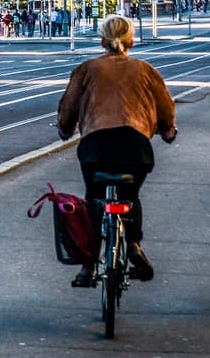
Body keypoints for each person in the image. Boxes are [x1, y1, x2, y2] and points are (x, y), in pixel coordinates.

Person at [56, 15, 178, 286]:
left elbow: (69, 107)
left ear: (101, 41)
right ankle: (133, 244)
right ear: (131, 41)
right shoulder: (145, 70)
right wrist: (168, 130)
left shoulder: (86, 69)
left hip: (95, 146)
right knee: (130, 194)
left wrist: (65, 128)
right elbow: (165, 107)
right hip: (135, 146)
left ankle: (88, 267)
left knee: (94, 199)